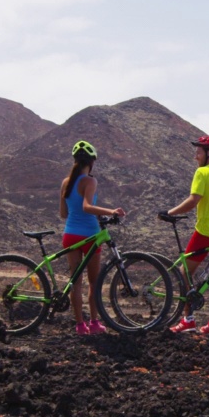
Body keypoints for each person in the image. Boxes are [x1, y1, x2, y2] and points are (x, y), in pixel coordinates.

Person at [164, 135, 209, 335]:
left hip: (205, 231)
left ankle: (188, 319)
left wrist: (169, 212)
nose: (195, 156)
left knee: (184, 272)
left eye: (198, 152)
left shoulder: (202, 173)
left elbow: (193, 201)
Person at [60, 140, 125, 335]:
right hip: (90, 236)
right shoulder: (90, 181)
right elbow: (87, 207)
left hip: (70, 235)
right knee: (94, 282)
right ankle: (94, 323)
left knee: (75, 282)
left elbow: (64, 213)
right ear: (92, 162)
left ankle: (80, 325)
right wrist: (111, 211)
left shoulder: (65, 182)